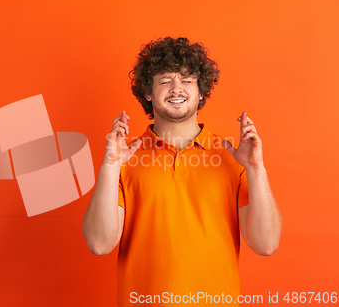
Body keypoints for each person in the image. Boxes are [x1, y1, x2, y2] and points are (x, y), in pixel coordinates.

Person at [82, 37, 282, 306]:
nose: (177, 88)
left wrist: (256, 169)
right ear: (148, 92)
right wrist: (109, 168)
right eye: (165, 80)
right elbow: (99, 244)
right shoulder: (123, 159)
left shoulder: (234, 158)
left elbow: (266, 244)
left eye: (187, 80)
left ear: (201, 92)